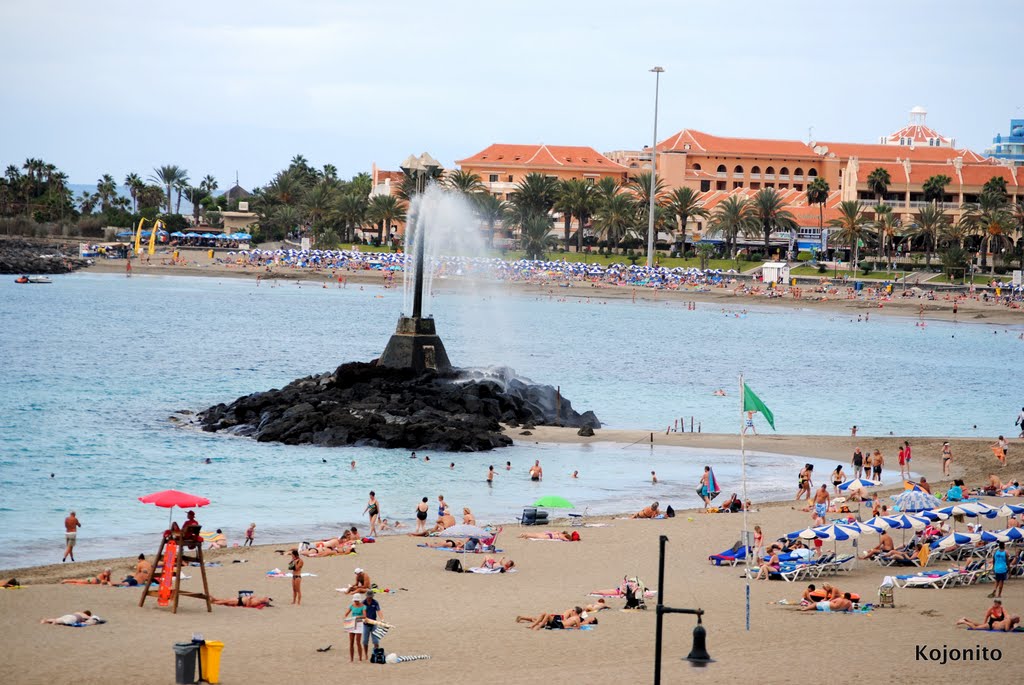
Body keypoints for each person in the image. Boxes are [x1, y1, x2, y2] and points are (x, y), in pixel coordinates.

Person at [956, 599, 1021, 631]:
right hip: (991, 624)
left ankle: (965, 619)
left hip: (994, 624)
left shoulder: (1002, 609)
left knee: (979, 625)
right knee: (975, 628)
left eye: (996, 603)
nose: (994, 604)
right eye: (994, 603)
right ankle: (963, 621)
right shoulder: (991, 609)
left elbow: (1007, 615)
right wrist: (1014, 627)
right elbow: (987, 616)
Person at [344, 594, 367, 661]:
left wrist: (358, 617)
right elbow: (346, 614)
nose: (355, 602)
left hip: (359, 624)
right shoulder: (352, 606)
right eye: (355, 600)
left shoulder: (363, 606)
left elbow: (364, 616)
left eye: (357, 600)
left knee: (358, 642)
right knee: (351, 642)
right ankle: (351, 659)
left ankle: (360, 658)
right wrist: (346, 619)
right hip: (352, 623)